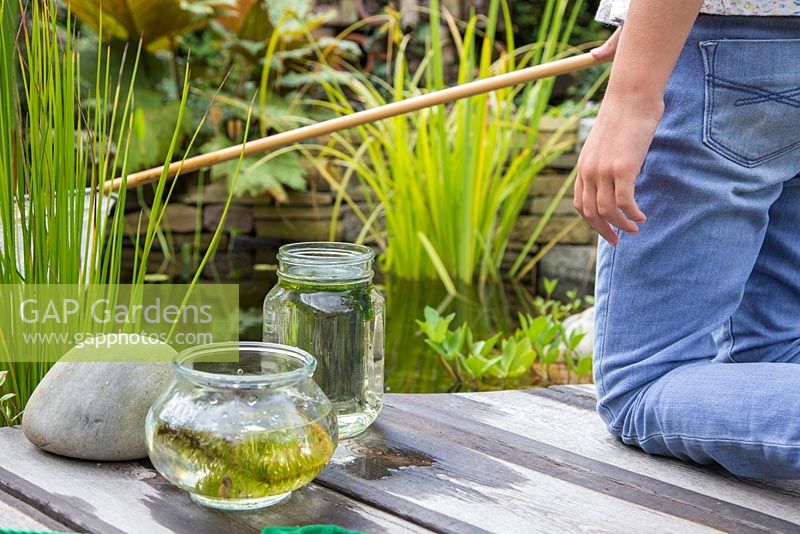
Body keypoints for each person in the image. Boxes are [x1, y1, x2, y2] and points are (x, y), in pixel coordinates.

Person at [576, 0, 800, 478]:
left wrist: (631, 98)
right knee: (778, 348)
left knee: (642, 385)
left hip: (728, 45)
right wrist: (645, 33)